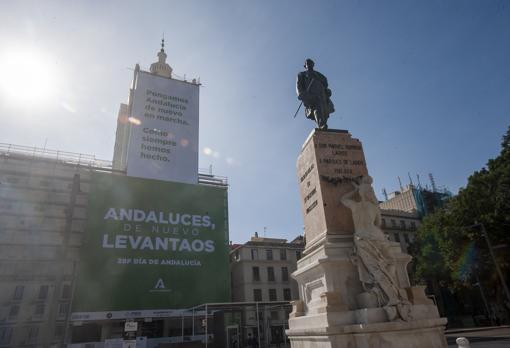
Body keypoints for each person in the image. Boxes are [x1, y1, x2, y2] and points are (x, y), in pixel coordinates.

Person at [341, 176, 410, 320]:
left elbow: (342, 199)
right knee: (389, 262)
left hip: (363, 238)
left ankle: (392, 297)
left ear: (361, 193)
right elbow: (378, 223)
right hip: (378, 237)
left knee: (375, 269)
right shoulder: (375, 207)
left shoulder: (356, 206)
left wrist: (354, 190)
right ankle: (392, 290)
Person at [296, 58, 335, 129]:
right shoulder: (302, 74)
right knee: (316, 106)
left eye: (310, 63)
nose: (309, 64)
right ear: (305, 66)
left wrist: (327, 91)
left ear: (313, 65)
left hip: (321, 94)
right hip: (310, 95)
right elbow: (299, 85)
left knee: (324, 111)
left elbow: (325, 84)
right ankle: (321, 124)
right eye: (307, 63)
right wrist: (301, 94)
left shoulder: (319, 75)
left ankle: (323, 124)